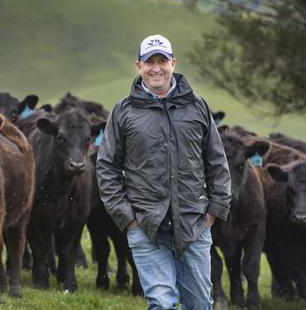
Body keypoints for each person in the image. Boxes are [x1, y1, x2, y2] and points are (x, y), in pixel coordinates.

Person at [96, 34, 231, 309]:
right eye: (149, 62)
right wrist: (128, 220)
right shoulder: (124, 111)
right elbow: (107, 167)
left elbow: (217, 161)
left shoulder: (196, 105)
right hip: (146, 225)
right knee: (160, 302)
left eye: (162, 61)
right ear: (138, 66)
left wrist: (214, 212)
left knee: (199, 304)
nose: (156, 68)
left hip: (194, 223)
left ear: (173, 63)